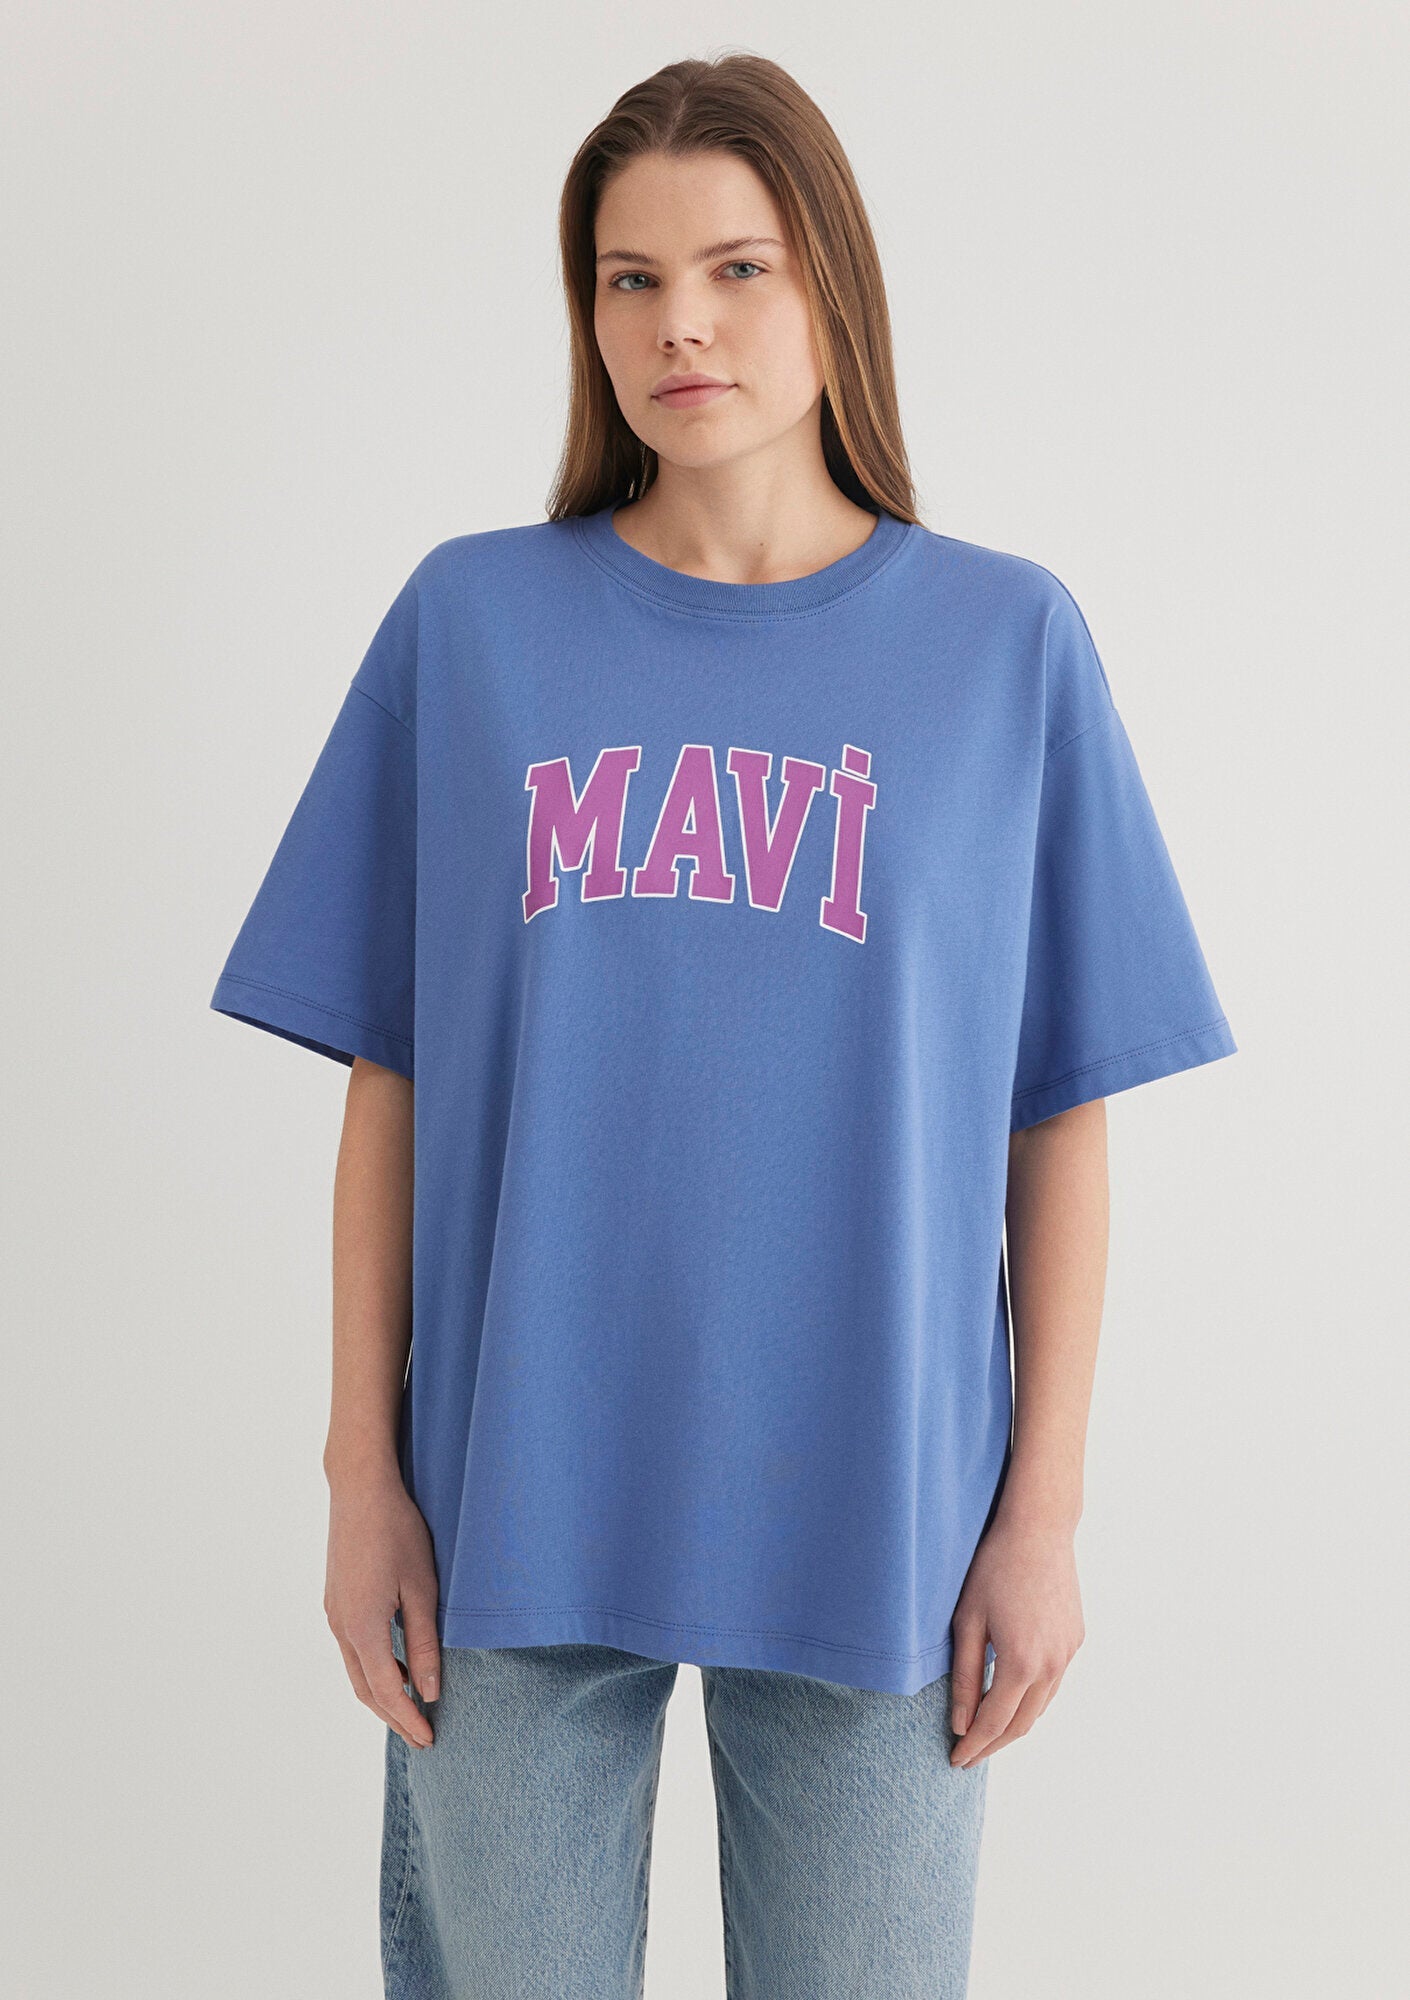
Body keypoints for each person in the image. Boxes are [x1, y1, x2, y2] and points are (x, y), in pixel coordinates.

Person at [209, 52, 1238, 2000]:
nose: (678, 322)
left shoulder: (1004, 645)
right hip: (511, 1497)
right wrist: (362, 1478)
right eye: (629, 278)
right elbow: (389, 1080)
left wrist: (1041, 1514)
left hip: (884, 1516)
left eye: (735, 268)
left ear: (831, 281)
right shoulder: (471, 627)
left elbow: (1057, 1110)